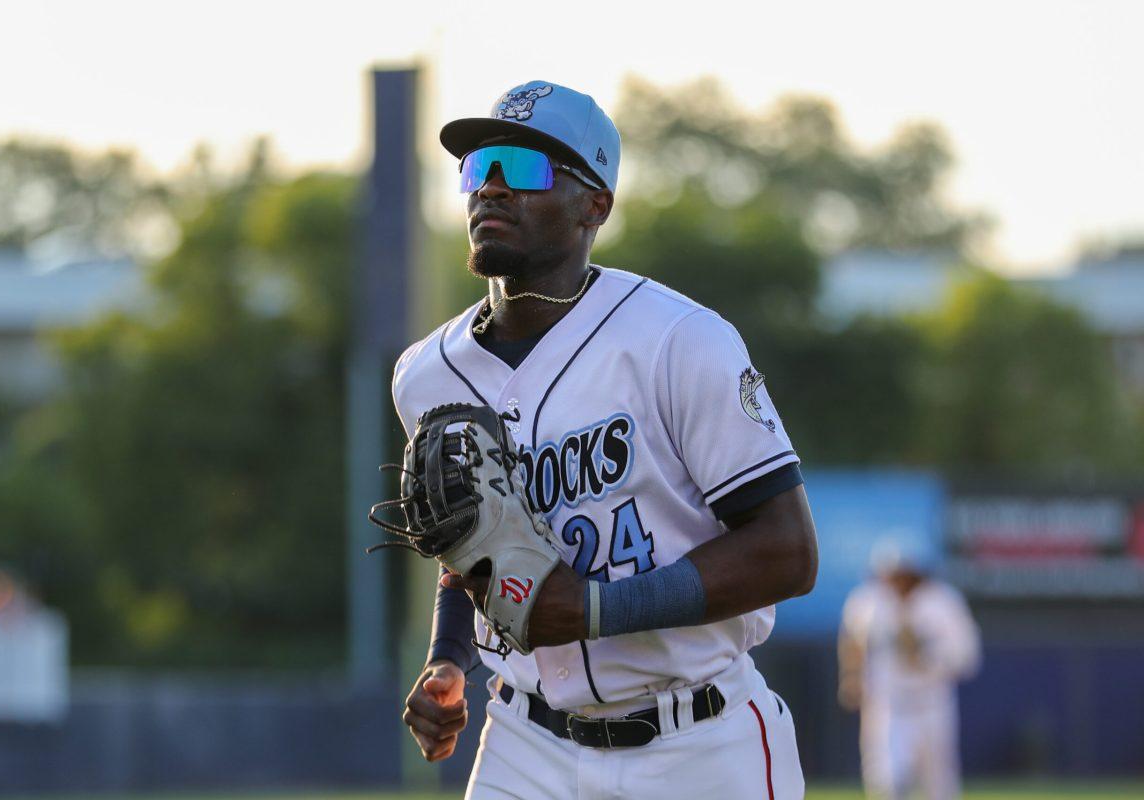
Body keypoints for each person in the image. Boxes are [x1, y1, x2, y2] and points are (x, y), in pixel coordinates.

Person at [392, 80, 818, 800]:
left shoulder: (679, 341)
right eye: (478, 168)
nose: (490, 189)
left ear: (596, 204)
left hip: (698, 742)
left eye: (524, 169)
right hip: (526, 743)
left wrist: (590, 610)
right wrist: (449, 659)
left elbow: (787, 551)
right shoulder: (426, 375)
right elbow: (471, 547)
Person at [838, 539, 981, 800]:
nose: (899, 583)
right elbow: (852, 640)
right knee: (886, 782)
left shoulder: (943, 602)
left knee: (939, 786)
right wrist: (851, 676)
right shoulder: (869, 600)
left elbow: (967, 657)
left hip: (932, 703)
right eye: (893, 575)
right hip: (887, 703)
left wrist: (926, 657)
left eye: (906, 576)